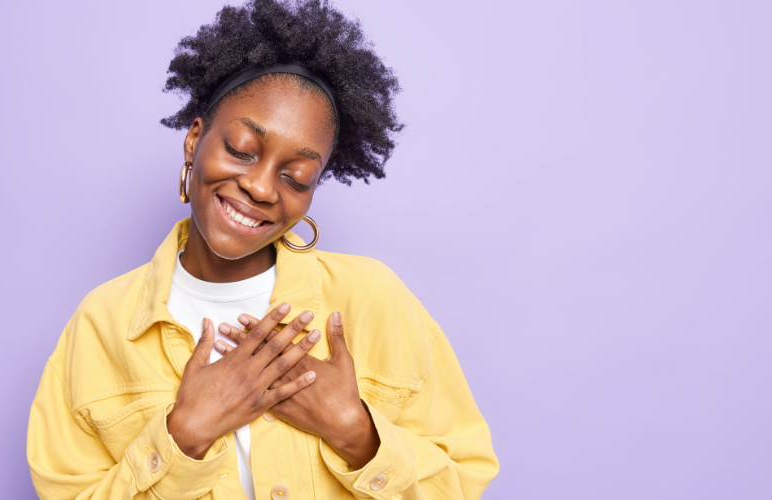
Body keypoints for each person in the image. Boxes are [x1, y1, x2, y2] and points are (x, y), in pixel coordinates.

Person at [26, 1, 499, 498]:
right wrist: (184, 434)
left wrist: (355, 432)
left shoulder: (372, 299)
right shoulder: (102, 325)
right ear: (194, 141)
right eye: (241, 150)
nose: (261, 187)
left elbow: (462, 480)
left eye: (295, 177)